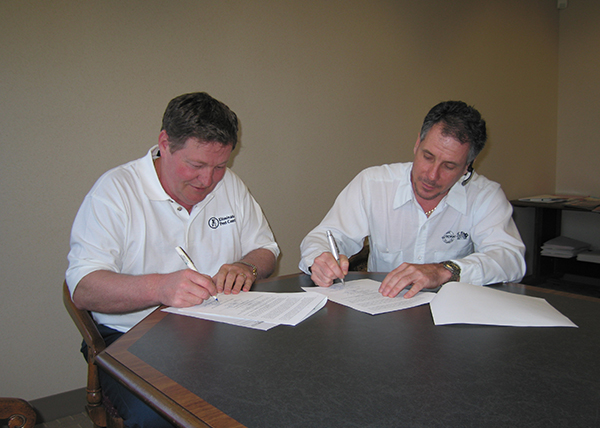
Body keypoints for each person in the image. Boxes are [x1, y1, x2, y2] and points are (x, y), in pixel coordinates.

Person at [66, 92, 279, 427]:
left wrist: (246, 266)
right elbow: (83, 287)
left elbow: (266, 249)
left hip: (221, 329)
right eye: (195, 165)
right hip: (131, 338)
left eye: (220, 166)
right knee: (162, 417)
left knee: (281, 386)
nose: (207, 181)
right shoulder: (115, 192)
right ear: (165, 142)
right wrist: (160, 287)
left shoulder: (230, 187)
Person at [299, 100, 525, 299]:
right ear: (417, 143)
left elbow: (509, 258)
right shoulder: (373, 184)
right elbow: (324, 236)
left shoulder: (484, 195)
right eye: (428, 156)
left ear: (467, 166)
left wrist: (444, 271)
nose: (432, 175)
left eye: (449, 166)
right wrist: (320, 260)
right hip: (383, 310)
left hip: (452, 314)